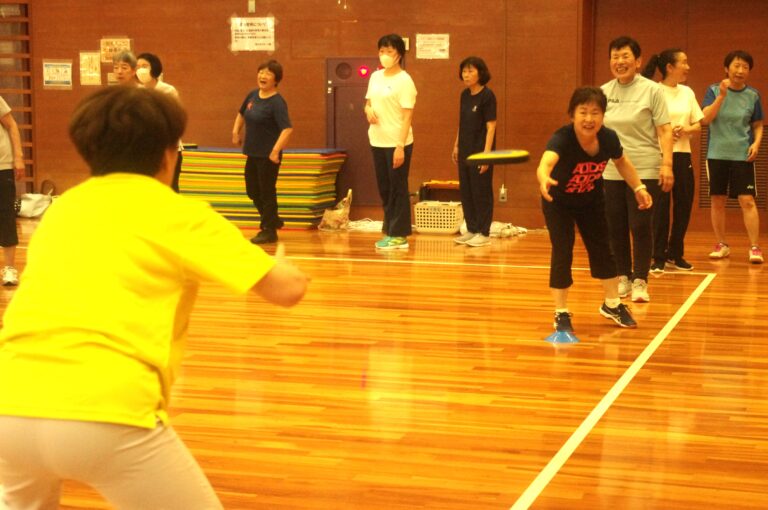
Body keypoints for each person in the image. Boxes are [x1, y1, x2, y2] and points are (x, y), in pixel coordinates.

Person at [0, 86, 308, 509]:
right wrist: (287, 267)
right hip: (109, 410)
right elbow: (287, 290)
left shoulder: (63, 209)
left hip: (10, 404)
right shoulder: (181, 214)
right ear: (169, 154)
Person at [537, 87, 651, 333]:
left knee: (603, 250)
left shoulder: (608, 138)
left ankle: (612, 304)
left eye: (595, 113)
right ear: (572, 115)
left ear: (603, 116)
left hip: (590, 200)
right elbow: (546, 162)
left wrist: (638, 187)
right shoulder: (562, 138)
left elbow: (622, 162)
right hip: (558, 203)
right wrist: (544, 177)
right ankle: (561, 312)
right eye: (583, 112)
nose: (589, 119)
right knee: (563, 251)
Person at [601, 36, 673, 303]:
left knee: (640, 225)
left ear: (638, 61)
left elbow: (664, 129)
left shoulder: (652, 90)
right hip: (611, 170)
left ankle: (641, 279)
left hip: (645, 168)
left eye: (625, 57)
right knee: (615, 226)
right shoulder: (604, 92)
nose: (620, 62)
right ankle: (624, 276)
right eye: (615, 57)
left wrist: (667, 163)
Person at [642, 49, 704, 272]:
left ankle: (675, 253)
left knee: (684, 204)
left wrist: (686, 129)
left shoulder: (687, 92)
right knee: (660, 208)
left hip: (682, 155)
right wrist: (664, 132)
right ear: (670, 67)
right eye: (684, 62)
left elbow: (698, 123)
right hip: (659, 155)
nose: (687, 67)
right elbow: (645, 123)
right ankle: (657, 255)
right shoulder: (653, 91)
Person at [701, 50, 764, 264]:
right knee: (718, 199)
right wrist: (721, 96)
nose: (740, 71)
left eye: (745, 67)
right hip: (716, 153)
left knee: (747, 200)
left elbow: (757, 125)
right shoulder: (713, 90)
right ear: (726, 69)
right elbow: (705, 119)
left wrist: (756, 143)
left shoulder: (753, 95)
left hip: (741, 154)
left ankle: (755, 247)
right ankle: (721, 244)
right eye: (736, 66)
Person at [365, 33, 417, 251]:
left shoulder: (405, 81)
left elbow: (407, 117)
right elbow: (367, 102)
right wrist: (367, 111)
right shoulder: (375, 77)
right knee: (385, 188)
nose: (384, 55)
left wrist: (400, 147)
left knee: (398, 188)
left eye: (389, 51)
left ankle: (399, 235)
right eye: (381, 51)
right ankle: (390, 229)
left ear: (399, 55)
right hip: (377, 140)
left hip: (397, 143)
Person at [232, 59, 293, 244]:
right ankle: (272, 220)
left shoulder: (277, 102)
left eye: (267, 73)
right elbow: (242, 113)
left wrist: (275, 151)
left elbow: (287, 129)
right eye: (260, 72)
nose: (262, 76)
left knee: (266, 191)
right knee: (252, 190)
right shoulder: (252, 95)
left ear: (276, 79)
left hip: (268, 156)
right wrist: (235, 131)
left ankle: (268, 229)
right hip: (252, 152)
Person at [452, 56, 497, 248]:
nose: (466, 74)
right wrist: (456, 145)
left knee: (481, 191)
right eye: (464, 71)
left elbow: (491, 127)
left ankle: (483, 232)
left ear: (480, 73)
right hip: (464, 150)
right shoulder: (464, 95)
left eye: (470, 70)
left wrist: (487, 155)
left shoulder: (488, 96)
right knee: (467, 191)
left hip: (481, 152)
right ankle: (471, 229)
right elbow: (462, 123)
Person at [137, 52, 184, 193]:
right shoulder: (136, 92)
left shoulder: (168, 90)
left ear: (154, 68)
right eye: (138, 66)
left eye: (144, 66)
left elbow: (174, 119)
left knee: (169, 189)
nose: (141, 70)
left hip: (167, 148)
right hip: (144, 149)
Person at [0, 96, 25, 286]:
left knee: (5, 215)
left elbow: (12, 125)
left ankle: (9, 268)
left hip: (2, 166)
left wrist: (18, 157)